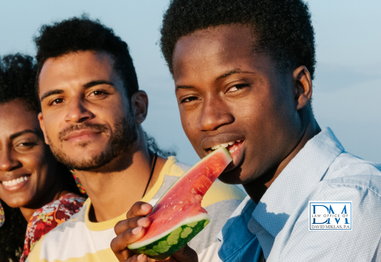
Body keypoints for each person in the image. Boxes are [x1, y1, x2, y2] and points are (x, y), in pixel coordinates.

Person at [111, 0, 381, 261]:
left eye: (235, 87)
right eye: (190, 98)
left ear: (299, 88)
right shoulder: (244, 227)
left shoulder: (348, 205)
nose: (208, 120)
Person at [26, 16, 245, 262]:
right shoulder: (47, 252)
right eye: (57, 100)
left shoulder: (217, 209)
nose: (76, 112)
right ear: (44, 127)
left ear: (138, 107)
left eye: (97, 93)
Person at [0, 54, 86, 262]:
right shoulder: (75, 211)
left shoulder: (54, 218)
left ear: (52, 141)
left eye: (23, 144)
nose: (5, 162)